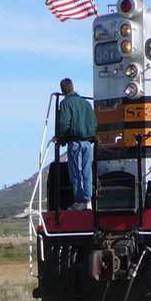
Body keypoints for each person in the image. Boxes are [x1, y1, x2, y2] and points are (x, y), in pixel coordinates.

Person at [54, 78, 97, 211]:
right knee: (87, 172)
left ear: (62, 90)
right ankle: (88, 200)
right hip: (87, 144)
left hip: (75, 143)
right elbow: (93, 123)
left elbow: (63, 124)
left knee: (76, 173)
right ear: (72, 87)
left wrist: (59, 137)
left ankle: (80, 201)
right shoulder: (86, 104)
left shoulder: (66, 104)